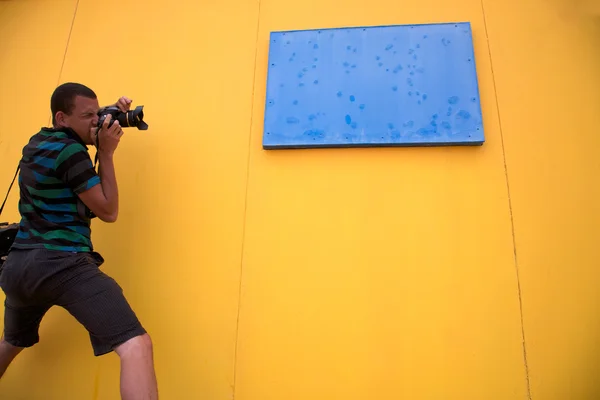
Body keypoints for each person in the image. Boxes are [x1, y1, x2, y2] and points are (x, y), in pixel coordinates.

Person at [0, 82, 158, 400]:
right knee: (135, 345)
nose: (96, 122)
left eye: (98, 114)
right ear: (62, 117)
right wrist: (107, 153)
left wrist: (107, 115)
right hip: (61, 263)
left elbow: (68, 188)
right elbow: (108, 210)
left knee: (12, 342)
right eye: (88, 116)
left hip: (18, 267)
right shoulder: (72, 152)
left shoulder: (37, 144)